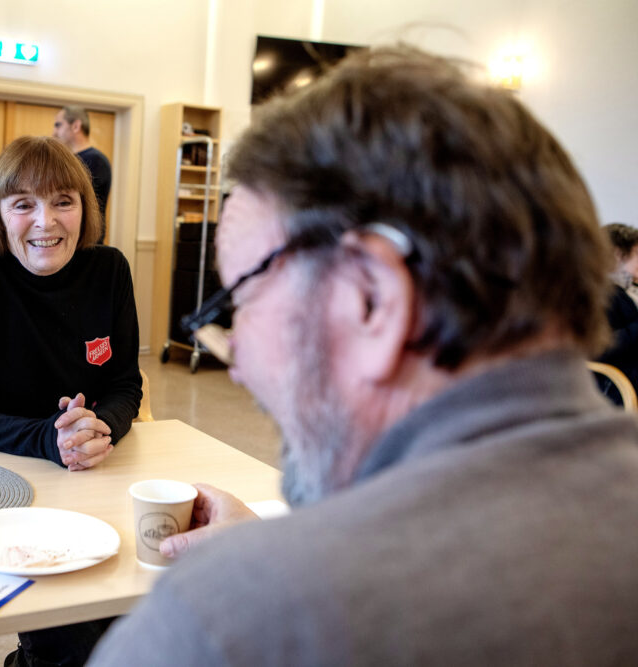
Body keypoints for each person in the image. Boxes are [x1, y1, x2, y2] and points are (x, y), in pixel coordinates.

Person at [89, 46, 638, 665]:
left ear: (371, 300)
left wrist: (268, 579)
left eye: (241, 300)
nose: (235, 358)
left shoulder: (226, 626)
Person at [0, 136, 141, 664]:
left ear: (84, 209)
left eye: (63, 201)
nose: (46, 221)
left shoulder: (109, 269)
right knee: (76, 639)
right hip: (0, 483)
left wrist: (99, 430)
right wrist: (48, 438)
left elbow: (124, 385)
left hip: (94, 477)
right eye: (24, 204)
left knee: (136, 608)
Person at [53, 106, 111, 243]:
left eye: (58, 125)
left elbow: (86, 207)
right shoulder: (71, 160)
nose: (54, 132)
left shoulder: (95, 160)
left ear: (76, 126)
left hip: (84, 244)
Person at [596, 222, 638, 398]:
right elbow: (601, 348)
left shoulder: (631, 288)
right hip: (619, 381)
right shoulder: (601, 294)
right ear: (617, 255)